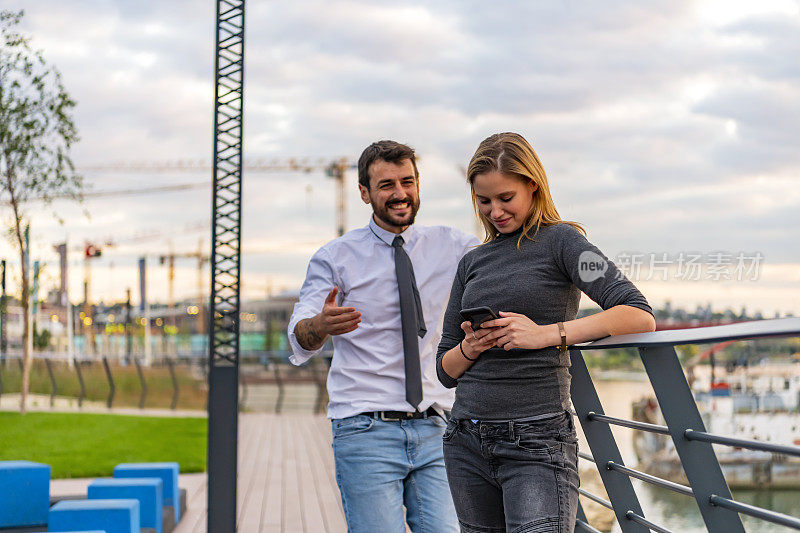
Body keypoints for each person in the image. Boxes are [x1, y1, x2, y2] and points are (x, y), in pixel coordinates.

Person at [436, 132, 656, 533]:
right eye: (484, 201)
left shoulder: (565, 243)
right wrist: (470, 347)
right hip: (465, 440)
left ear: (532, 186)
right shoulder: (471, 263)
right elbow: (445, 370)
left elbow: (638, 314)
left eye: (505, 198)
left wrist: (546, 334)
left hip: (536, 444)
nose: (494, 211)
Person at [288, 140, 479, 533]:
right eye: (386, 184)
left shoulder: (454, 246)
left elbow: (505, 264)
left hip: (436, 426)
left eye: (407, 181)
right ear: (364, 192)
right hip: (364, 429)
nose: (399, 193)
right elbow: (299, 335)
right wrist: (321, 326)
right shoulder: (335, 257)